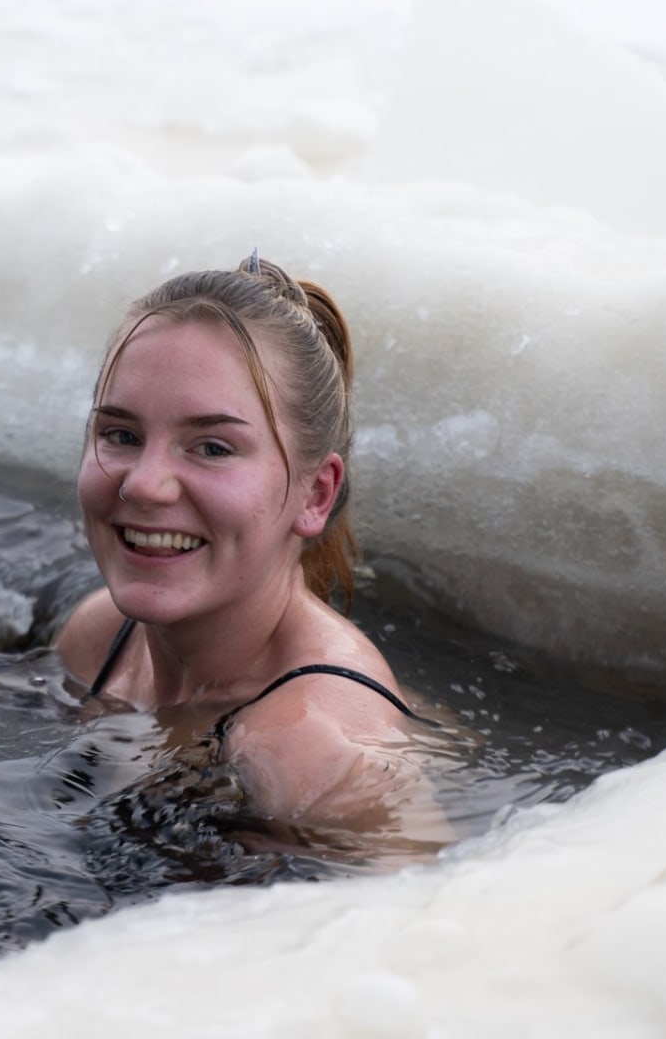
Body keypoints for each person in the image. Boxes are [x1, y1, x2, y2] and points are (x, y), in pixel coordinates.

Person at [56, 254, 448, 846]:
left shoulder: (313, 743)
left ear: (316, 495)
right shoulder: (101, 637)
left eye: (212, 447)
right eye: (121, 435)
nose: (142, 483)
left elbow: (429, 925)